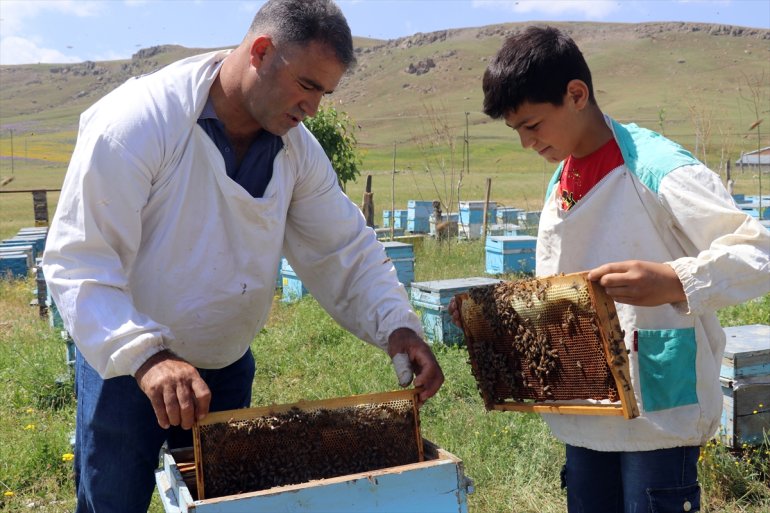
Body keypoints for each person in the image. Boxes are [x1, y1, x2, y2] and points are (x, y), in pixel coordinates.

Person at [42, 1, 444, 511]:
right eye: (307, 85)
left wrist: (398, 325)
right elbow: (80, 258)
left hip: (224, 369)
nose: (313, 109)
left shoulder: (297, 151)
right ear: (260, 51)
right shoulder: (137, 123)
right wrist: (146, 355)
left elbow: (344, 247)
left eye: (325, 93)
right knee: (111, 502)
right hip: (126, 370)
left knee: (223, 503)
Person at [450, 26, 769, 513]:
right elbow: (560, 289)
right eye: (516, 130)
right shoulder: (561, 178)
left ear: (576, 94)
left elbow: (759, 250)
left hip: (660, 412)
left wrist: (675, 281)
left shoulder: (658, 166)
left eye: (532, 125)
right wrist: (494, 322)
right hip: (586, 406)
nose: (525, 143)